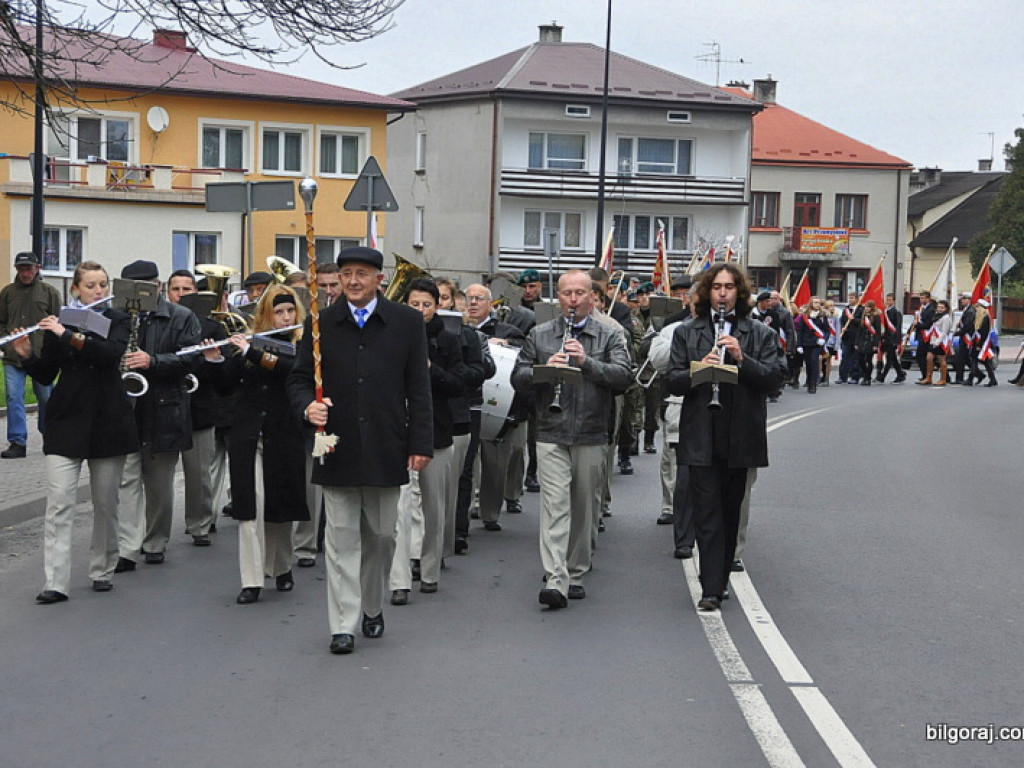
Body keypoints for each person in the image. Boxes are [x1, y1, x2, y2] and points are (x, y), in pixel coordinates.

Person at [286, 246, 433, 656]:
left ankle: (372, 605)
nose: (352, 281)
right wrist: (307, 407)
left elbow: (419, 390)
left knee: (383, 537)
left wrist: (421, 441)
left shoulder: (405, 323)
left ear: (378, 280)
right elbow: (298, 380)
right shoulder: (320, 324)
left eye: (361, 274)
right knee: (341, 539)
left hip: (389, 445)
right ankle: (343, 623)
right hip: (337, 446)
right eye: (346, 273)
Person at [10, 261, 138, 602]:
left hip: (108, 419)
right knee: (59, 504)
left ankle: (102, 568)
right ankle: (55, 582)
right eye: (91, 286)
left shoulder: (118, 319)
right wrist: (26, 356)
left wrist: (67, 335)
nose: (98, 291)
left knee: (105, 503)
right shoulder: (61, 319)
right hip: (67, 420)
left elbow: (110, 355)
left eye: (102, 285)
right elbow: (47, 372)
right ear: (76, 290)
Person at [666, 263, 785, 611]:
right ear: (707, 292)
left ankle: (718, 576)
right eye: (716, 287)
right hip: (701, 431)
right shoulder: (687, 332)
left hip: (740, 433)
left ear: (739, 292)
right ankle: (710, 587)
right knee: (706, 512)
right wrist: (698, 370)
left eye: (729, 287)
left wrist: (740, 358)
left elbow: (775, 379)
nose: (722, 293)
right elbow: (671, 381)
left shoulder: (759, 333)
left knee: (730, 511)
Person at [512, 270, 631, 607]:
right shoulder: (540, 334)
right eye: (567, 294)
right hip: (550, 430)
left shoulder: (609, 335)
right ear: (558, 297)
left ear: (593, 296)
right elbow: (518, 376)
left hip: (592, 432)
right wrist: (545, 369)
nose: (574, 300)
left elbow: (624, 377)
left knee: (584, 505)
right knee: (554, 506)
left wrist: (586, 362)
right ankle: (555, 577)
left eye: (581, 293)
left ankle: (576, 570)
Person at [207, 284, 308, 603]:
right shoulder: (248, 343)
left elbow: (289, 371)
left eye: (290, 311)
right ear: (266, 314)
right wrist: (214, 360)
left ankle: (281, 566)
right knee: (251, 506)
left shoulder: (302, 344)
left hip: (285, 432)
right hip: (248, 434)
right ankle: (251, 579)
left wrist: (254, 352)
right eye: (279, 312)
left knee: (279, 506)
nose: (285, 317)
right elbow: (225, 386)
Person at [116, 260, 202, 571]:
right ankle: (127, 548)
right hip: (125, 410)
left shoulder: (181, 316)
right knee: (126, 482)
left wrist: (153, 361)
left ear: (157, 286)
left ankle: (154, 542)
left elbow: (192, 357)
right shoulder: (118, 316)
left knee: (159, 484)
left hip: (163, 407)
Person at [389, 278, 468, 602]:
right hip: (399, 432)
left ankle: (431, 569)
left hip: (437, 431)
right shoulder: (392, 336)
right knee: (399, 511)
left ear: (439, 306)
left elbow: (458, 383)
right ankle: (400, 579)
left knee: (434, 509)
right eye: (414, 304)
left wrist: (431, 369)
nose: (420, 310)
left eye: (426, 304)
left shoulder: (449, 340)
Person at [166, 269, 225, 546]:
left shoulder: (212, 327)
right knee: (158, 477)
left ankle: (200, 523)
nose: (181, 294)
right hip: (165, 407)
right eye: (175, 289)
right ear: (168, 294)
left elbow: (221, 371)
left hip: (200, 407)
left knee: (200, 473)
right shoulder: (159, 322)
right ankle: (153, 531)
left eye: (186, 289)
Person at [462, 283, 527, 531]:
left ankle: (490, 513)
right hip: (467, 402)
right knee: (465, 465)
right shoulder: (455, 329)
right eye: (469, 298)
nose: (473, 302)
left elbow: (522, 356)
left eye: (479, 298)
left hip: (496, 407)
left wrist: (506, 343)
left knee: (493, 464)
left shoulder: (508, 330)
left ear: (491, 304)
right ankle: (462, 514)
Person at [0, 251, 62, 458]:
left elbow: (58, 321)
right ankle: (17, 442)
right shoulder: (7, 292)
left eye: (29, 268)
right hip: (13, 355)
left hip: (41, 356)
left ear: (37, 268)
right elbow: (1, 321)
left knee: (46, 397)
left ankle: (50, 437)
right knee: (13, 397)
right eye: (21, 269)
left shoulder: (49, 292)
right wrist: (6, 341)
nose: (25, 273)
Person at [916, 299, 952, 387]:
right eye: (939, 307)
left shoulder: (946, 317)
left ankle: (943, 379)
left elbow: (944, 332)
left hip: (941, 342)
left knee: (941, 360)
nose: (939, 309)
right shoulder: (936, 316)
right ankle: (928, 377)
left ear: (946, 309)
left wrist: (938, 342)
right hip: (933, 340)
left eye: (942, 308)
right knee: (929, 358)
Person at [877, 293, 906, 384]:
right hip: (885, 338)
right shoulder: (884, 312)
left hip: (892, 339)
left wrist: (896, 340)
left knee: (890, 358)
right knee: (892, 358)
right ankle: (900, 374)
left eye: (890, 300)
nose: (888, 301)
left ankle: (882, 376)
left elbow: (898, 327)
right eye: (887, 299)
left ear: (894, 301)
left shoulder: (896, 312)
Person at [970, 300, 998, 387]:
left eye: (978, 307)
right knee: (978, 360)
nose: (976, 309)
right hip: (978, 343)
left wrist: (979, 345)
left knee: (982, 361)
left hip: (982, 344)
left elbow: (984, 333)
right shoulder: (980, 318)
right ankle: (990, 379)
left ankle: (989, 378)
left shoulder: (985, 318)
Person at [950, 293, 975, 385]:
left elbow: (968, 326)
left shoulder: (970, 311)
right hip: (963, 337)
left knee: (961, 358)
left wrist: (957, 333)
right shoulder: (966, 310)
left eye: (964, 299)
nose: (962, 301)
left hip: (966, 337)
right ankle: (977, 373)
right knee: (963, 359)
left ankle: (960, 378)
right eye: (962, 299)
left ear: (969, 300)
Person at [855, 300, 882, 386]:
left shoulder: (876, 317)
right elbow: (859, 330)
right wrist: (856, 342)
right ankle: (865, 373)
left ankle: (868, 377)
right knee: (860, 359)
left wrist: (875, 344)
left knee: (868, 359)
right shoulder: (864, 316)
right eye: (865, 307)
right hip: (862, 341)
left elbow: (877, 331)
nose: (866, 308)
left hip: (871, 340)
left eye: (868, 307)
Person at [837, 292, 862, 384]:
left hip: (856, 337)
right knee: (845, 356)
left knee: (855, 358)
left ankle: (854, 376)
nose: (850, 300)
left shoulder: (861, 310)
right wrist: (843, 327)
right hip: (847, 337)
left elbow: (862, 322)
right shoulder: (846, 309)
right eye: (849, 298)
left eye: (852, 298)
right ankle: (842, 376)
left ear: (856, 299)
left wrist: (854, 319)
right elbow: (842, 320)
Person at [913, 291, 936, 382]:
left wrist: (917, 324)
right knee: (921, 357)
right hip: (921, 336)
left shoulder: (931, 309)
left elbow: (928, 324)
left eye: (923, 298)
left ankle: (926, 376)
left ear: (928, 298)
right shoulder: (922, 309)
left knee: (922, 356)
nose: (921, 300)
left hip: (927, 336)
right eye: (920, 298)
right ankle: (925, 375)